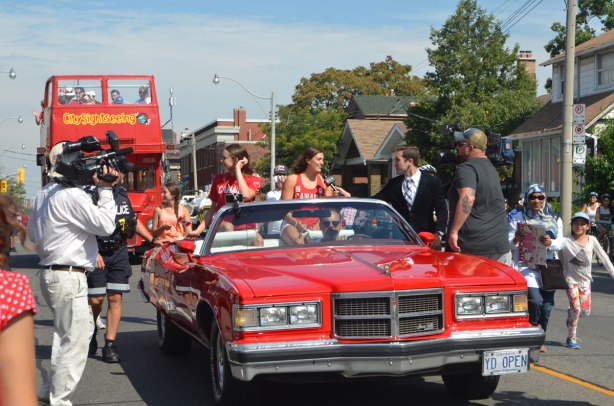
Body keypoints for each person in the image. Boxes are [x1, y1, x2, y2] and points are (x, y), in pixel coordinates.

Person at [27, 141, 118, 406]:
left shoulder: (43, 194)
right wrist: (105, 190)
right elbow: (105, 226)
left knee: (69, 334)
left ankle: (50, 390)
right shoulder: (72, 195)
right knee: (75, 338)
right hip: (68, 275)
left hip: (51, 273)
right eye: (80, 161)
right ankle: (59, 399)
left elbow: (33, 236)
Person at [85, 156, 158, 363]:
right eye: (121, 170)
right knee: (96, 300)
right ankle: (90, 333)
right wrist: (93, 253)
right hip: (97, 253)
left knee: (115, 298)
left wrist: (152, 239)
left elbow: (132, 222)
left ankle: (110, 344)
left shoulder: (123, 194)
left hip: (119, 253)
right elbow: (84, 226)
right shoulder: (91, 193)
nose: (124, 174)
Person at [509, 184, 564, 353]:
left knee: (547, 307)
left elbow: (561, 243)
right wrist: (516, 239)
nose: (536, 201)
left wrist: (551, 242)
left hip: (547, 269)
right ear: (527, 199)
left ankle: (540, 337)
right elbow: (508, 242)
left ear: (545, 199)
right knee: (535, 301)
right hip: (527, 268)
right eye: (533, 197)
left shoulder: (554, 218)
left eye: (540, 197)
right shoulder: (518, 217)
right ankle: (530, 336)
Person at [447, 128, 511, 265]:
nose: (456, 148)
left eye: (460, 145)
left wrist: (453, 232)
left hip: (474, 248)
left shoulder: (467, 168)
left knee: (470, 287)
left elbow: (468, 197)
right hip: (500, 245)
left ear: (470, 148)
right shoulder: (491, 168)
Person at [373, 145, 447, 249]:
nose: (395, 164)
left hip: (427, 240)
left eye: (397, 160)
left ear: (410, 161)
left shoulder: (432, 182)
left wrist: (439, 233)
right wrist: (351, 196)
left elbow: (442, 209)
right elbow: (376, 200)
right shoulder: (394, 184)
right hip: (401, 239)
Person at [559, 212, 614, 349]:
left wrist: (612, 272)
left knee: (584, 312)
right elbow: (556, 249)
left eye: (582, 224)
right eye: (576, 223)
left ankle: (571, 314)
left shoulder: (592, 240)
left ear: (588, 226)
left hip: (585, 282)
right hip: (570, 280)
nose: (579, 226)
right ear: (571, 225)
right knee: (577, 309)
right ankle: (571, 338)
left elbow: (603, 257)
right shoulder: (565, 240)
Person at [280, 147, 350, 245]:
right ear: (308, 160)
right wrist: (297, 223)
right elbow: (283, 210)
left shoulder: (323, 182)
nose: (322, 163)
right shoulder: (293, 179)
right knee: (299, 242)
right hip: (292, 224)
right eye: (319, 159)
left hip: (318, 225)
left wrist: (342, 197)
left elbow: (328, 210)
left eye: (323, 160)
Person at [190, 143, 262, 236]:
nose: (221, 160)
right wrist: (197, 231)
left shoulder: (253, 180)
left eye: (224, 158)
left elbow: (246, 196)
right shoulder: (218, 179)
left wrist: (237, 169)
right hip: (223, 225)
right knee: (228, 227)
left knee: (258, 240)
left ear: (236, 160)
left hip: (246, 226)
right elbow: (212, 209)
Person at [265, 165, 288, 235]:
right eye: (278, 175)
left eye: (283, 175)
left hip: (288, 231)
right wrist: (284, 186)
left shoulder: (291, 193)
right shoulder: (271, 194)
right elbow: (279, 207)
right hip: (274, 233)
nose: (281, 178)